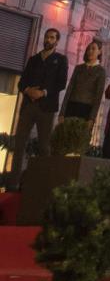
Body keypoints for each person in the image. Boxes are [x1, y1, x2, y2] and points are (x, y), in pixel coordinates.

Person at [9, 27, 68, 186]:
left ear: (57, 41)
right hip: (28, 106)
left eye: (52, 38)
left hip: (46, 109)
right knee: (19, 144)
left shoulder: (61, 60)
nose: (48, 40)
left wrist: (43, 93)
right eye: (47, 37)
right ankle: (13, 184)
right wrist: (28, 90)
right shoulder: (33, 59)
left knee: (43, 146)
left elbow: (61, 83)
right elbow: (22, 83)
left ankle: (40, 185)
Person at [60, 39, 106, 123]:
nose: (90, 51)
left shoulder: (101, 71)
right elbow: (69, 90)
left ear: (99, 51)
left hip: (86, 110)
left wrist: (92, 119)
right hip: (71, 107)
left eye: (93, 48)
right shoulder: (79, 68)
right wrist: (62, 113)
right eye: (88, 49)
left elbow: (98, 97)